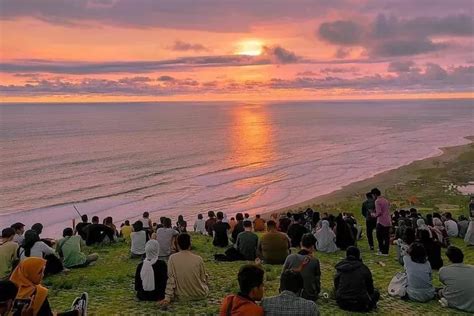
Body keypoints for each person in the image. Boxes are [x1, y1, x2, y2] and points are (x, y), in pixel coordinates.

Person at [9, 257, 87, 316]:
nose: (43, 275)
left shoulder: (8, 289)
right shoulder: (38, 292)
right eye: (39, 272)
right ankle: (78, 312)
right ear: (29, 273)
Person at [159, 234, 209, 306]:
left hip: (181, 296)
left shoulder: (172, 258)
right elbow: (203, 279)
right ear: (190, 244)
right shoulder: (198, 259)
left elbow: (171, 280)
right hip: (200, 294)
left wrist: (167, 298)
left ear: (178, 245)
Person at [334, 246, 379, 312]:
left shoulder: (341, 267)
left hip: (342, 302)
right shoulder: (364, 268)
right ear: (358, 255)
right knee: (376, 293)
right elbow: (370, 289)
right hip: (360, 304)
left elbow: (336, 284)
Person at [283, 234, 320, 301]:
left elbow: (283, 276)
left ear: (301, 243)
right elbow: (317, 281)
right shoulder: (314, 261)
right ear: (313, 246)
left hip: (288, 295)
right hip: (309, 296)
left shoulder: (290, 258)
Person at [438, 246, 474, 312]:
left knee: (440, 291)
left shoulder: (443, 270)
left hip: (455, 302)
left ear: (449, 259)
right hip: (472, 303)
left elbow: (443, 282)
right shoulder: (472, 268)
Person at [371, 188, 391, 256]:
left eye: (373, 195)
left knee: (379, 236)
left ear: (375, 194)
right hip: (388, 220)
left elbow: (379, 213)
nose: (373, 197)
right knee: (386, 237)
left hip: (381, 221)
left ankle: (382, 250)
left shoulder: (377, 201)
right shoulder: (385, 200)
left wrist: (373, 215)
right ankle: (386, 251)